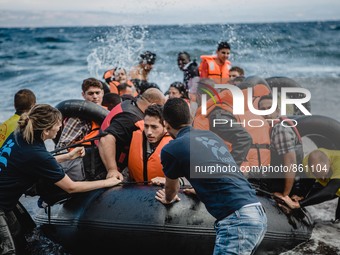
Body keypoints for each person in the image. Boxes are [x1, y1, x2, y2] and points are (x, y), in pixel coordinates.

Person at [0, 104, 121, 255]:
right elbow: (71, 187)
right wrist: (107, 182)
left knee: (25, 238)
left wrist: (68, 156)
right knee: (9, 251)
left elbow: (34, 160)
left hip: (6, 200)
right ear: (46, 130)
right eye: (58, 124)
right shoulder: (36, 152)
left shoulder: (21, 134)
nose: (60, 127)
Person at [155, 98, 267, 255]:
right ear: (191, 118)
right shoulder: (211, 137)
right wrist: (201, 190)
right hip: (256, 211)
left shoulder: (171, 149)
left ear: (166, 124)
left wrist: (168, 198)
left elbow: (171, 190)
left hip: (237, 219)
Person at [98, 88, 166, 181]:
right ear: (153, 106)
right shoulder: (130, 119)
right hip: (101, 168)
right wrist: (112, 169)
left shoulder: (129, 103)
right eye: (160, 107)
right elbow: (105, 139)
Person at [258, 95, 304, 198]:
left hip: (285, 187)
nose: (266, 113)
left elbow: (291, 163)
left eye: (270, 108)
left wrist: (285, 195)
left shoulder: (280, 129)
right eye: (263, 110)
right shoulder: (271, 127)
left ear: (277, 111)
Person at [281, 148, 340, 221]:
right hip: (334, 184)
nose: (323, 178)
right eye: (318, 175)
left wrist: (298, 204)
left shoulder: (338, 163)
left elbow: (330, 192)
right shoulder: (307, 164)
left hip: (335, 185)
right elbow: (307, 183)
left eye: (326, 174)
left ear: (329, 162)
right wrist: (300, 196)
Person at [56, 77, 105, 149]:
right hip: (82, 157)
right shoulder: (78, 118)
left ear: (102, 93)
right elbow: (62, 147)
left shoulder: (109, 112)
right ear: (83, 95)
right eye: (90, 93)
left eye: (97, 93)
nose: (95, 97)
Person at [128, 104, 172, 183]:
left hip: (162, 191)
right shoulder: (134, 134)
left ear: (165, 126)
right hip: (136, 190)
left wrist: (172, 181)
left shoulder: (177, 143)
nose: (149, 132)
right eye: (146, 126)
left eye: (154, 127)